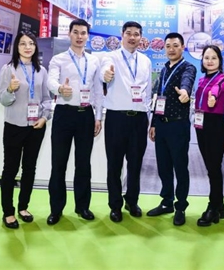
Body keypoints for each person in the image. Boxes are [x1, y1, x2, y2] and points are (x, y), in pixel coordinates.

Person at [46, 19, 102, 225]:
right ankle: (56, 209)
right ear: (69, 34)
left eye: (83, 33)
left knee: (83, 164)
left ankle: (82, 206)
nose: (79, 36)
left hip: (86, 115)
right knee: (58, 164)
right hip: (64, 114)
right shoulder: (58, 59)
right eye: (76, 32)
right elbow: (50, 80)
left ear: (87, 36)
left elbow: (98, 91)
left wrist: (98, 116)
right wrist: (60, 88)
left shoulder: (94, 61)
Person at [0, 31, 52, 229]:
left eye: (31, 43)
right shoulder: (8, 69)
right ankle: (8, 212)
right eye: (23, 44)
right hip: (14, 126)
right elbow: (2, 99)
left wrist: (44, 117)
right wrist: (10, 89)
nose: (27, 47)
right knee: (10, 169)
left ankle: (23, 207)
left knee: (29, 168)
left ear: (35, 47)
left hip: (36, 127)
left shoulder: (41, 70)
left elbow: (47, 98)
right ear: (17, 47)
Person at [100, 21, 152, 223]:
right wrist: (106, 75)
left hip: (139, 119)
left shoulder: (145, 61)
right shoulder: (110, 57)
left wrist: (149, 117)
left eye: (136, 34)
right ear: (122, 35)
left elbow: (148, 91)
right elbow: (104, 73)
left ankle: (132, 200)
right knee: (114, 164)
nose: (132, 37)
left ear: (141, 37)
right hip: (116, 118)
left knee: (136, 163)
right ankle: (115, 205)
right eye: (128, 33)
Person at [147, 32, 196, 226]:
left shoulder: (188, 67)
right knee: (164, 166)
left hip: (178, 125)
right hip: (161, 124)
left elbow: (187, 81)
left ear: (182, 47)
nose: (171, 49)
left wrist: (185, 91)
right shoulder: (163, 70)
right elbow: (158, 97)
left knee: (180, 167)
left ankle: (180, 206)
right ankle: (166, 201)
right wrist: (153, 123)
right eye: (168, 46)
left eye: (175, 45)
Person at [192, 45, 224, 227]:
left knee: (214, 168)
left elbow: (217, 89)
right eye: (206, 57)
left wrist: (213, 97)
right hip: (201, 125)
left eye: (214, 58)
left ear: (219, 61)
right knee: (210, 167)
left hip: (215, 125)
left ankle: (212, 207)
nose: (209, 61)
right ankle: (220, 205)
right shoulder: (201, 79)